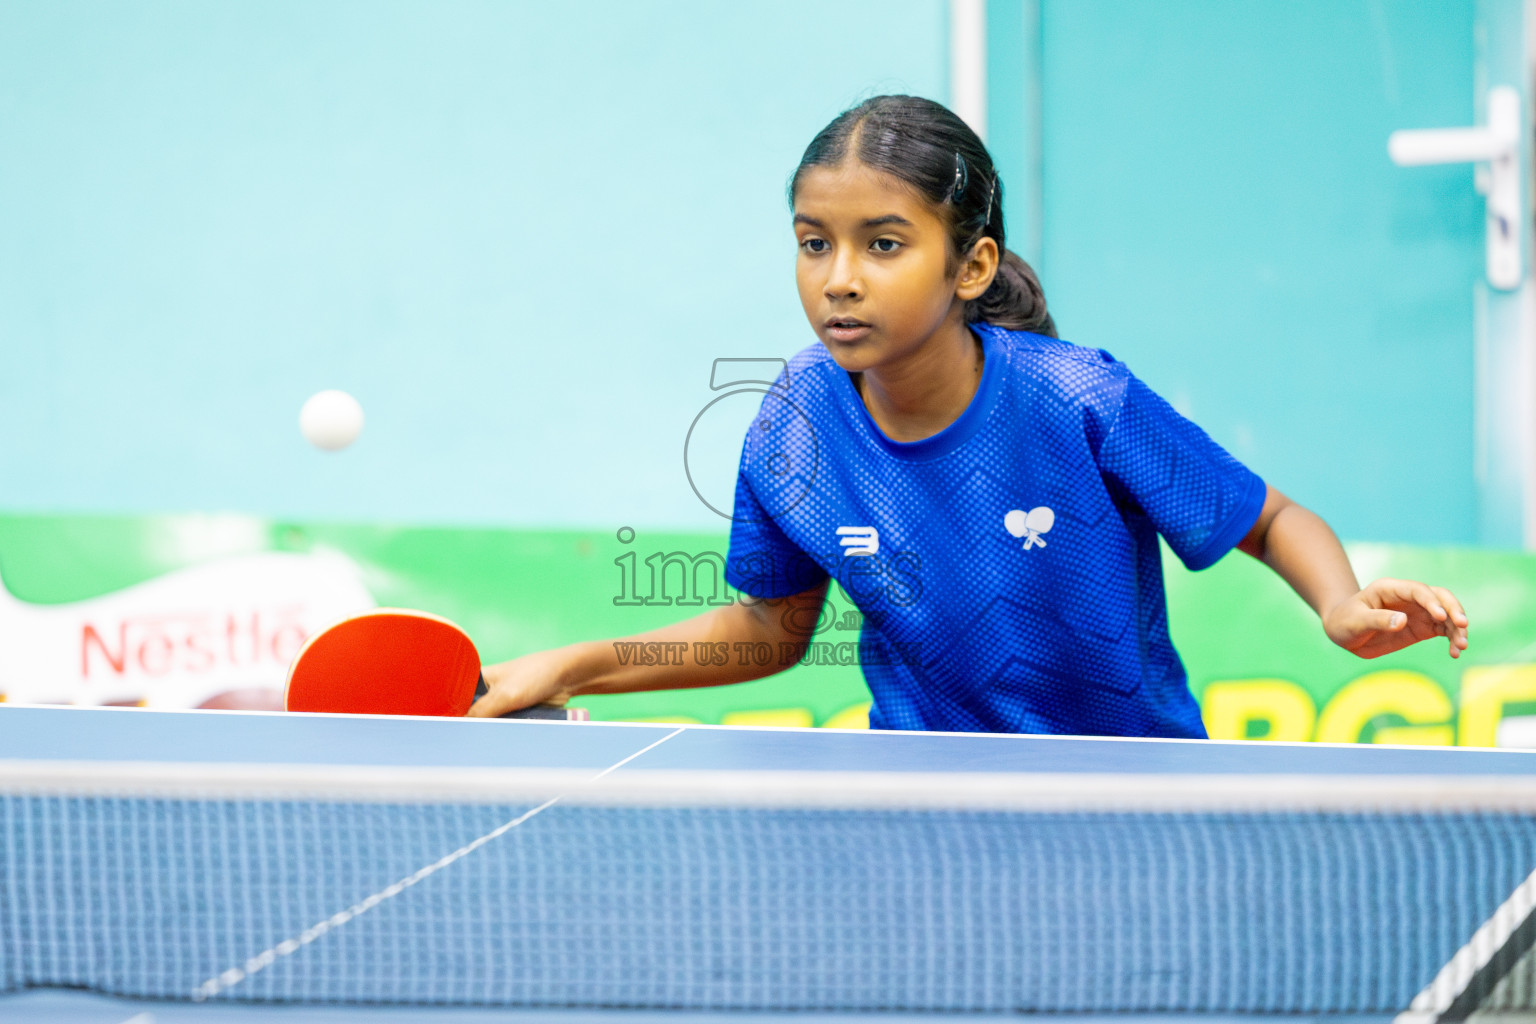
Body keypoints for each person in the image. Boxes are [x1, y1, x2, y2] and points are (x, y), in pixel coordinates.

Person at [472, 95, 1468, 736]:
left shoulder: (1078, 399)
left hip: (1137, 796)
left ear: (972, 264)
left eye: (884, 244)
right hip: (925, 800)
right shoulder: (795, 425)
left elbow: (1269, 516)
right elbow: (770, 631)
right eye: (814, 244)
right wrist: (576, 663)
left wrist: (1340, 605)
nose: (840, 280)